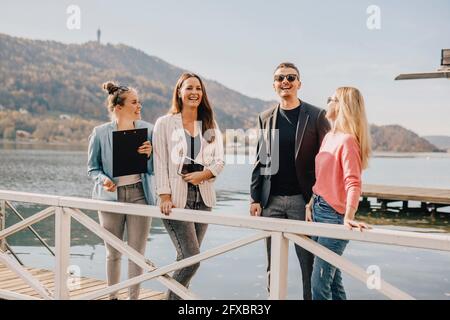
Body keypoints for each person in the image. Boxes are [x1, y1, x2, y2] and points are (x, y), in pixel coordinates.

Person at [250, 62, 330, 299]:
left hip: (303, 202)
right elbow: (260, 159)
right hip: (270, 201)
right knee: (272, 265)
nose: (285, 81)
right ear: (274, 85)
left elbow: (325, 161)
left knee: (309, 265)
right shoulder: (265, 117)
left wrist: (316, 198)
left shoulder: (316, 115)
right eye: (280, 78)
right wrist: (255, 197)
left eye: (291, 77)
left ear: (299, 84)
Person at [153, 73, 225, 300]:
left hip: (203, 199)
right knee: (192, 257)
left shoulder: (210, 124)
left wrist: (204, 174)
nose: (194, 92)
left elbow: (220, 161)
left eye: (198, 88)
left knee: (185, 258)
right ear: (179, 92)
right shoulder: (165, 123)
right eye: (189, 88)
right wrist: (164, 195)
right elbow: (160, 161)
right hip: (176, 199)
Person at [87, 81, 155, 300]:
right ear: (118, 107)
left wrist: (151, 154)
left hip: (140, 196)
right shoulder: (99, 133)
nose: (139, 106)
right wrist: (104, 179)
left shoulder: (148, 130)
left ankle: (133, 298)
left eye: (139, 102)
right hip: (109, 198)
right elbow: (92, 168)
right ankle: (113, 297)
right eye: (134, 102)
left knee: (137, 254)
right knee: (113, 253)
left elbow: (156, 169)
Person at [306, 87, 371, 300]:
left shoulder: (347, 141)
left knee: (319, 285)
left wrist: (349, 217)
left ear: (341, 106)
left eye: (330, 99)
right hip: (317, 211)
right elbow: (322, 178)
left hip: (333, 217)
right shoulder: (330, 137)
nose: (327, 103)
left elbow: (353, 182)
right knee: (333, 282)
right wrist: (310, 203)